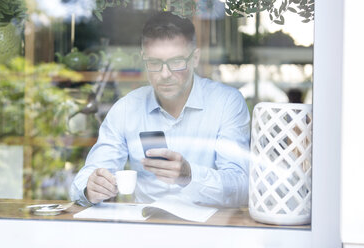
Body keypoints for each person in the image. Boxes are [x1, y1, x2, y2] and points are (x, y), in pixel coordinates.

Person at [70, 11, 250, 207]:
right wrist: (90, 188)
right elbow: (84, 179)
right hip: (146, 228)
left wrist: (190, 175)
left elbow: (242, 187)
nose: (165, 74)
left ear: (195, 58)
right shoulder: (126, 108)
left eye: (176, 62)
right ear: (143, 59)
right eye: (154, 63)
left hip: (210, 229)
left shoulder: (226, 103)